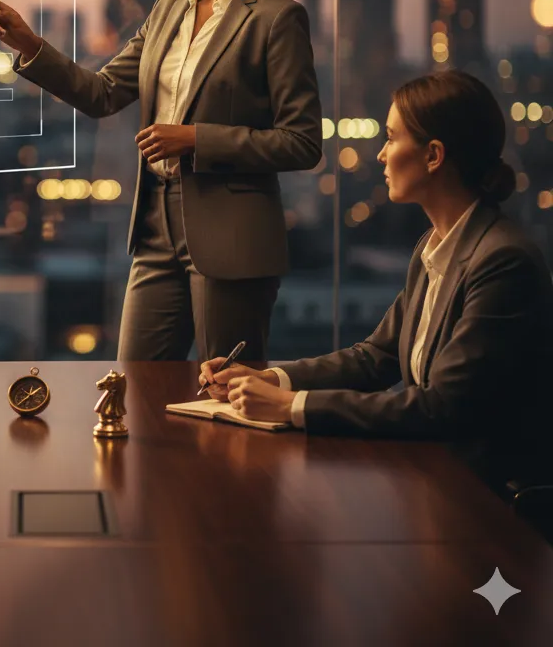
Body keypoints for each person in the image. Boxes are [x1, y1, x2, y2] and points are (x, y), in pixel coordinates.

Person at [0, 0, 322, 361]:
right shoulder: (166, 10)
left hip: (231, 237)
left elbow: (303, 142)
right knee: (135, 382)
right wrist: (29, 43)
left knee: (225, 392)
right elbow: (101, 94)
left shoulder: (275, 18)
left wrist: (197, 138)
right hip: (156, 226)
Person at [200, 70, 553, 490]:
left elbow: (443, 407)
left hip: (491, 507)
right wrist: (271, 379)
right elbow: (375, 358)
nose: (381, 155)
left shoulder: (502, 261)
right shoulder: (435, 246)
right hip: (437, 480)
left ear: (433, 155)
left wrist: (293, 406)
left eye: (391, 137)